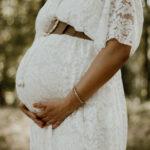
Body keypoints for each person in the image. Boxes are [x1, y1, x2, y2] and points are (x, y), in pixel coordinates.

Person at [15, 0, 144, 150]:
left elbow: (120, 46)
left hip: (83, 109)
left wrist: (69, 103)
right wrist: (28, 95)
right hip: (44, 122)